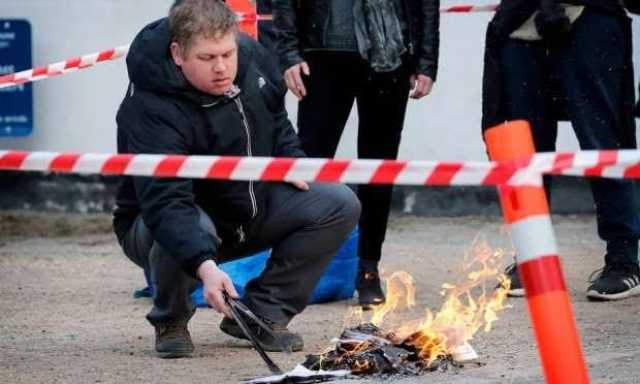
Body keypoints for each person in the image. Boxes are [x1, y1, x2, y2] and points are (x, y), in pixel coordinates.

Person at [113, 0, 360, 358]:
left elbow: (276, 122)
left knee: (338, 203)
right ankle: (171, 321)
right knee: (187, 223)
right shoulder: (149, 108)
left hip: (245, 206)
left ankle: (263, 315)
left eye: (228, 54)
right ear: (177, 53)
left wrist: (293, 162)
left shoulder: (254, 58)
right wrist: (205, 267)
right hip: (161, 222)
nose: (222, 68)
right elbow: (166, 202)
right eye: (207, 58)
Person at [273, 0, 440, 308]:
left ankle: (368, 269)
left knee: (379, 168)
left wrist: (427, 60)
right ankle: (295, 272)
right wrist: (288, 53)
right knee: (309, 168)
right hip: (321, 53)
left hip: (389, 54)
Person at [482, 0, 640, 300]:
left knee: (602, 144)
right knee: (524, 148)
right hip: (523, 24)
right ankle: (531, 260)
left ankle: (624, 260)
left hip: (590, 16)